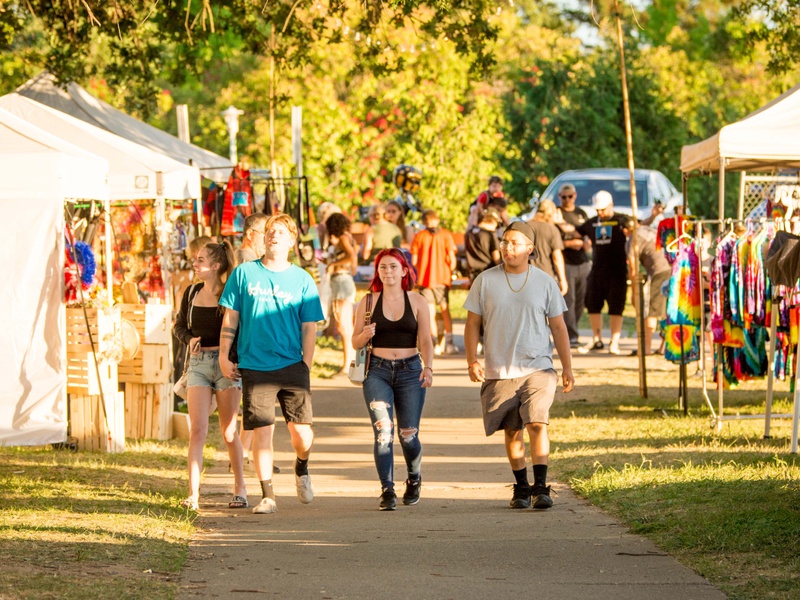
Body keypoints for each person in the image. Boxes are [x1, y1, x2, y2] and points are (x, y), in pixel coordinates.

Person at [463, 221, 574, 510]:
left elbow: (559, 327)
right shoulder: (485, 281)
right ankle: (522, 487)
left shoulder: (545, 282)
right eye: (504, 242)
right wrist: (472, 359)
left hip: (538, 367)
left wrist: (567, 367)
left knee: (536, 422)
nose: (507, 247)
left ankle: (541, 487)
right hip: (500, 369)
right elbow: (472, 324)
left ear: (530, 248)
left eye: (514, 243)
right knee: (512, 430)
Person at [218, 213, 324, 515]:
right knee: (262, 430)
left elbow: (309, 327)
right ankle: (267, 495)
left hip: (292, 364)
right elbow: (231, 317)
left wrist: (306, 364)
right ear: (263, 238)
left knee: (301, 434)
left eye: (280, 232)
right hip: (255, 364)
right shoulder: (244, 273)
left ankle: (301, 467)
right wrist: (224, 355)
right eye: (269, 231)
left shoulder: (302, 279)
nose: (273, 236)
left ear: (291, 241)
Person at [352, 248, 435, 511]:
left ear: (404, 271)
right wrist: (365, 335)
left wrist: (428, 367)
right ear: (377, 272)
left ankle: (414, 479)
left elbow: (425, 340)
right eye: (383, 267)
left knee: (408, 434)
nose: (388, 272)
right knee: (383, 432)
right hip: (377, 371)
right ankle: (387, 489)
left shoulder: (418, 301)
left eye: (393, 267)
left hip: (411, 371)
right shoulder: (367, 302)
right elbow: (355, 341)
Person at [174, 241, 247, 511]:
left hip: (226, 366)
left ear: (216, 266)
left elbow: (240, 330)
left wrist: (233, 360)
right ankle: (193, 494)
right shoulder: (191, 292)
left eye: (200, 260)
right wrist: (189, 339)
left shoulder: (231, 294)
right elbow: (179, 326)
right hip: (198, 364)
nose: (195, 264)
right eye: (195, 259)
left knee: (228, 432)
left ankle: (240, 488)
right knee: (197, 430)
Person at [576, 191, 629, 355]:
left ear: (611, 205)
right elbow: (577, 232)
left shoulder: (621, 220)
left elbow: (638, 227)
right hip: (597, 270)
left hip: (617, 271)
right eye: (598, 210)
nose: (600, 213)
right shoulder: (592, 222)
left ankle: (614, 340)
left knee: (616, 307)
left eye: (603, 209)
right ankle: (596, 338)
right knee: (592, 304)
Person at [410, 209, 458, 354]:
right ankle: (449, 343)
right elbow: (452, 260)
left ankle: (435, 343)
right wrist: (450, 271)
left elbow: (414, 261)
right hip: (442, 278)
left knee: (429, 312)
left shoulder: (419, 236)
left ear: (424, 222)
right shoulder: (446, 235)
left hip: (425, 279)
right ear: (437, 220)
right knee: (445, 310)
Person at [623, 218, 671, 356]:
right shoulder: (649, 229)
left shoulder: (633, 239)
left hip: (659, 272)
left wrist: (634, 294)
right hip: (672, 266)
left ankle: (646, 348)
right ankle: (664, 347)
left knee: (651, 311)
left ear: (625, 230)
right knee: (668, 309)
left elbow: (633, 270)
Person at [554, 183, 591, 348]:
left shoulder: (581, 213)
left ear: (575, 196)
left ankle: (573, 327)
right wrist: (570, 243)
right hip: (566, 261)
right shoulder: (556, 213)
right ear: (559, 197)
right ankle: (571, 335)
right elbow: (552, 241)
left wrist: (585, 243)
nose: (567, 199)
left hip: (582, 261)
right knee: (569, 299)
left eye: (570, 196)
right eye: (564, 197)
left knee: (581, 299)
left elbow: (587, 235)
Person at [324, 212, 358, 376]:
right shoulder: (349, 238)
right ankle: (350, 363)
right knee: (345, 325)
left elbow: (351, 256)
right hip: (345, 280)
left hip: (341, 280)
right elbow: (354, 263)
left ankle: (347, 366)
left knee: (343, 325)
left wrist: (333, 264)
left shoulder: (343, 238)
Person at [529, 199, 568, 296]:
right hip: (546, 275)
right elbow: (556, 257)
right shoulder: (552, 230)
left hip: (526, 275)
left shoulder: (525, 226)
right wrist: (562, 280)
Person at [465, 208, 502, 284]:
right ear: (492, 221)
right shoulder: (490, 234)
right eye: (496, 225)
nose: (495, 229)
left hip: (473, 275)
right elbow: (496, 256)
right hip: (489, 274)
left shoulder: (469, 233)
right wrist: (502, 270)